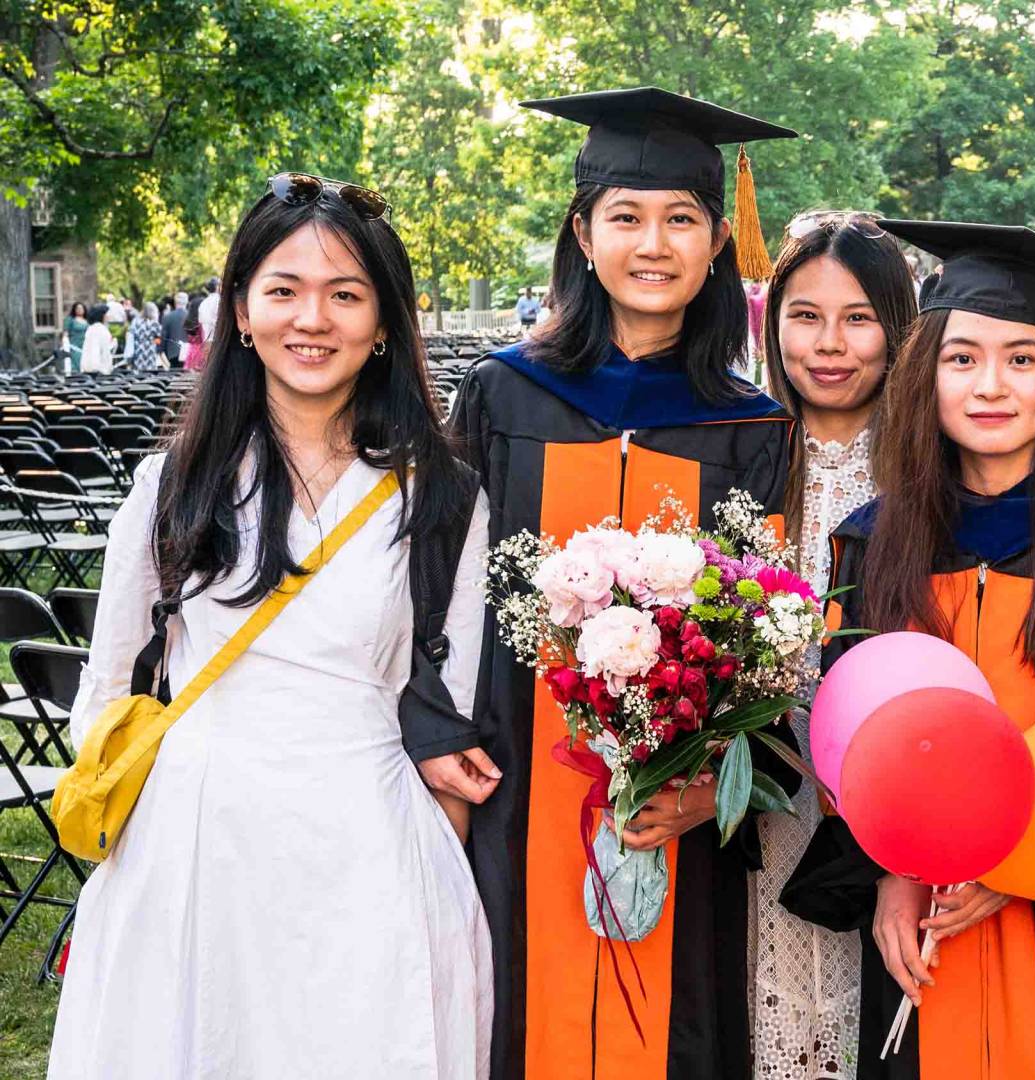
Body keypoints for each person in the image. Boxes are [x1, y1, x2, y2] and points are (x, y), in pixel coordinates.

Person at [46, 171, 492, 1078]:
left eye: (345, 294)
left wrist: (431, 863)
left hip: (372, 846)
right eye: (283, 290)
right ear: (241, 313)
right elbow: (106, 692)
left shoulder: (444, 496)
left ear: (382, 321)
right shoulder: (171, 486)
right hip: (195, 844)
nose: (312, 319)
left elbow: (456, 700)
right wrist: (150, 854)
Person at [450, 87, 798, 1080]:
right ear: (582, 231)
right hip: (516, 784)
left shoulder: (750, 427)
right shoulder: (505, 394)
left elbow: (766, 640)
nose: (654, 244)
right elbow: (446, 597)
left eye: (682, 219)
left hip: (672, 805)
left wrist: (708, 783)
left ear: (720, 238)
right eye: (626, 216)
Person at [782, 221, 1035, 1079]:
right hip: (922, 917)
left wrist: (1032, 857)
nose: (991, 385)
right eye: (962, 359)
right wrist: (888, 873)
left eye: (1022, 359)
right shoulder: (871, 542)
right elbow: (849, 741)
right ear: (926, 375)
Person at [754, 209, 916, 1078]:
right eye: (805, 316)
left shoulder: (927, 478)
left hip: (881, 802)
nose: (830, 344)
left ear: (899, 333)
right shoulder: (735, 457)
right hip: (754, 793)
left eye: (858, 318)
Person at [79, 304, 116, 374]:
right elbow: (105, 351)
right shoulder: (102, 330)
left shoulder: (91, 328)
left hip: (87, 368)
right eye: (106, 314)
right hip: (99, 370)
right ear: (102, 316)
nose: (108, 316)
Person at [126, 301, 164, 371]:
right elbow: (159, 340)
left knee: (138, 374)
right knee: (150, 374)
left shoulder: (135, 322)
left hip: (138, 352)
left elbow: (130, 335)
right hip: (150, 353)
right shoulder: (155, 324)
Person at [161, 291, 189, 366]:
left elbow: (162, 338)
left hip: (172, 354)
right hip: (188, 354)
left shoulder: (167, 317)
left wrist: (160, 351)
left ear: (175, 302)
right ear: (187, 302)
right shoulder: (191, 317)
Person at [62, 301, 87, 374]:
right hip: (74, 346)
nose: (80, 310)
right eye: (78, 308)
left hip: (85, 345)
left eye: (81, 308)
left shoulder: (87, 320)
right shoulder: (70, 320)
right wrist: (65, 343)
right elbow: (65, 332)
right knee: (76, 363)